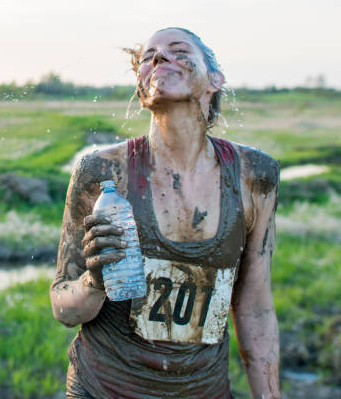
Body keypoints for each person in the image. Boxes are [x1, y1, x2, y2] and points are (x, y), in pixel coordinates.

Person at [50, 27, 281, 399]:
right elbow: (64, 308)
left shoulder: (255, 176)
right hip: (104, 388)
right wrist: (94, 281)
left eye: (177, 50)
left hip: (205, 391)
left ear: (215, 80)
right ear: (142, 91)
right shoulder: (102, 172)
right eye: (148, 56)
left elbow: (254, 307)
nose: (158, 57)